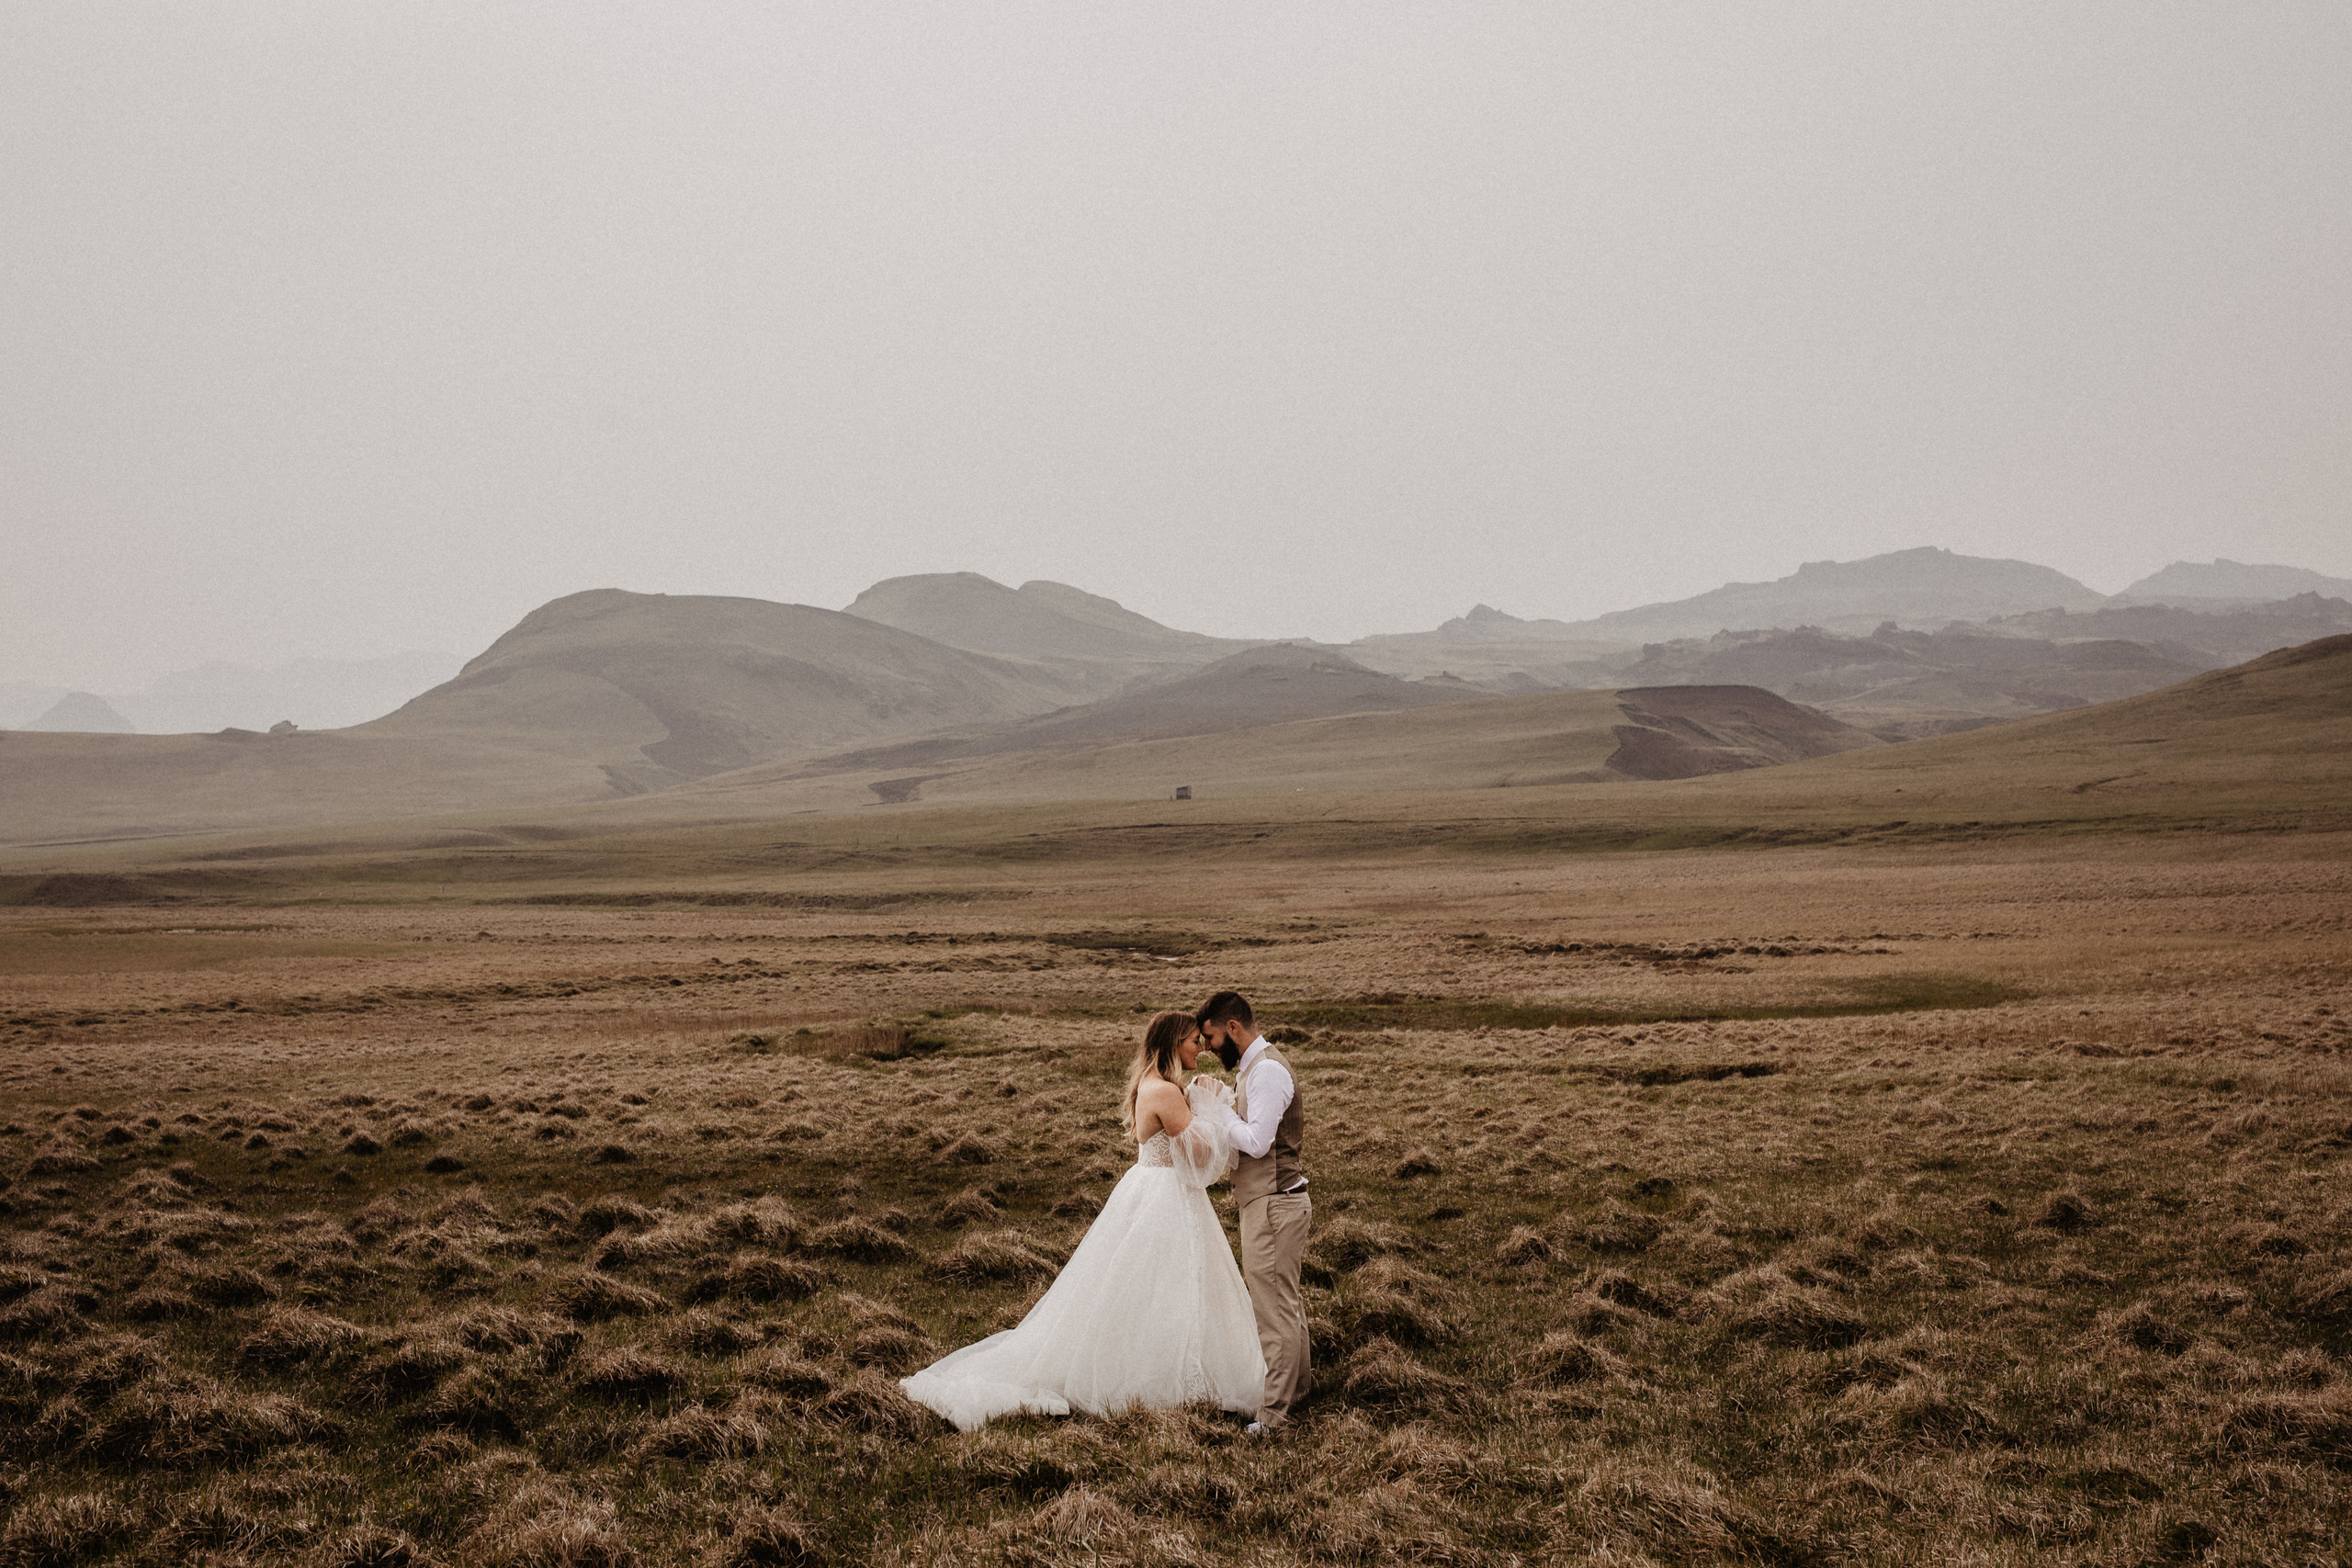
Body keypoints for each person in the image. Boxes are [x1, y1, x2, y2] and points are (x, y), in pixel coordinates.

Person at [899, 1011, 1266, 1431]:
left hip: (1157, 1192)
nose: (1200, 1048)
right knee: (1162, 1284)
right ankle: (1163, 1375)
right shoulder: (1165, 1091)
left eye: (1202, 1041)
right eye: (1192, 1041)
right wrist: (1212, 1107)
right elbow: (1200, 1160)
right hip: (1164, 1197)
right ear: (1171, 1044)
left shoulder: (1157, 1085)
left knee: (1158, 1286)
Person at [1193, 989, 1311, 1435]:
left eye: (1211, 1038)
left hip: (1273, 1206)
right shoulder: (1257, 1068)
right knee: (1286, 1303)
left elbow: (1259, 1142)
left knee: (1272, 1310)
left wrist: (1220, 1112)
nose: (1208, 1048)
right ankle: (1298, 1394)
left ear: (1233, 1028)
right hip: (1275, 1202)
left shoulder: (1265, 1074)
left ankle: (1277, 1415)